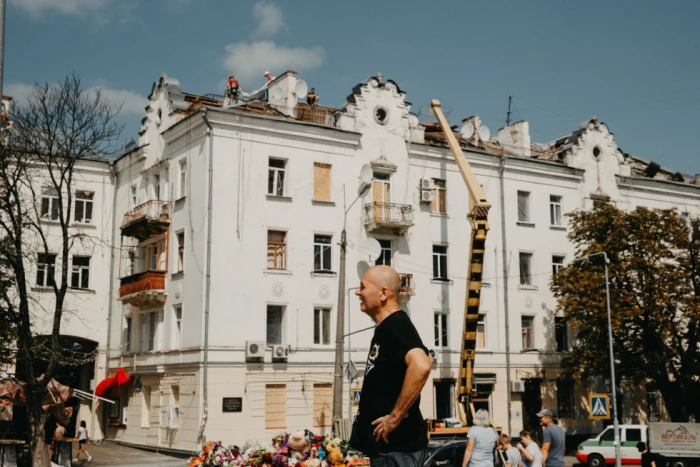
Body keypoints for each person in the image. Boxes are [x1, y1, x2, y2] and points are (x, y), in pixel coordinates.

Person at [349, 265, 432, 467]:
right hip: (387, 453)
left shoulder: (396, 324)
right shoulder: (386, 328)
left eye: (363, 287)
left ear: (383, 293)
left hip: (396, 453)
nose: (357, 292)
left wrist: (394, 418)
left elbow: (421, 365)